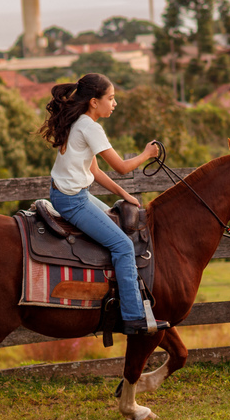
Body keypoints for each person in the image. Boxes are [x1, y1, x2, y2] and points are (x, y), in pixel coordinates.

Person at [38, 73, 169, 335]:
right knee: (122, 245)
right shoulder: (90, 127)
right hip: (73, 200)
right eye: (111, 98)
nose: (114, 103)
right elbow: (121, 167)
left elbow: (95, 170)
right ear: (94, 102)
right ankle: (133, 317)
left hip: (73, 195)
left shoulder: (81, 122)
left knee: (115, 219)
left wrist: (123, 194)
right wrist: (147, 154)